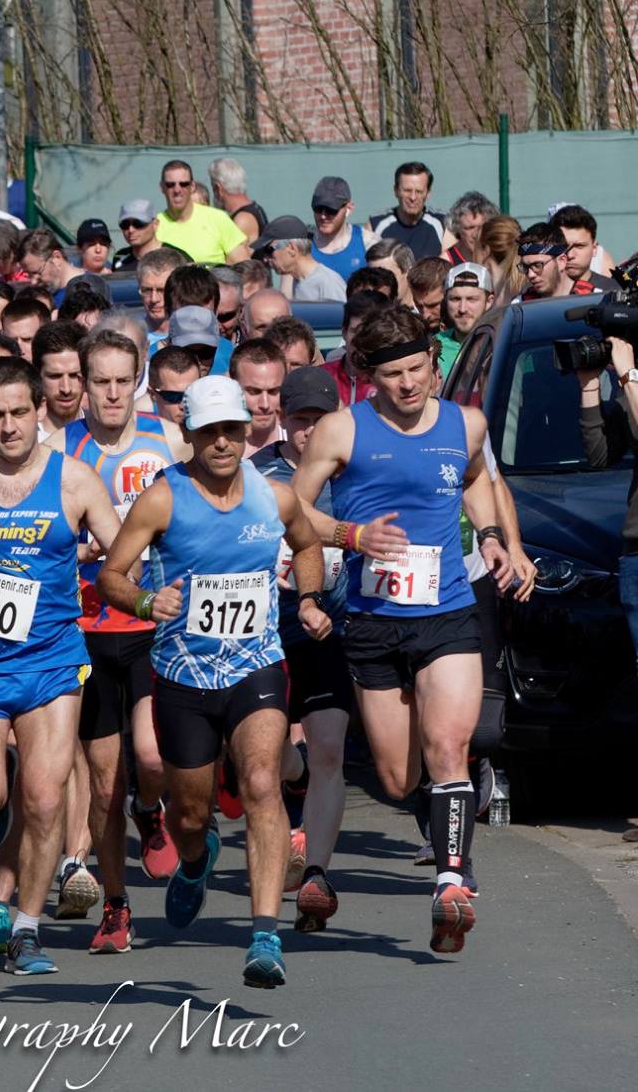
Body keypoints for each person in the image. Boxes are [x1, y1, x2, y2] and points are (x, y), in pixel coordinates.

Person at [291, 306, 527, 954]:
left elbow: (476, 480)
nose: (407, 383)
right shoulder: (342, 430)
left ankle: (451, 883)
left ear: (435, 362)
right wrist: (351, 534)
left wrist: (490, 535)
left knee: (452, 745)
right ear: (369, 377)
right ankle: (430, 804)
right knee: (397, 777)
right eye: (392, 373)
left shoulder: (465, 423)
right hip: (373, 623)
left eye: (417, 368)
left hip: (448, 610)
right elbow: (293, 509)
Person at [99, 375, 330, 989]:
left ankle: (264, 936)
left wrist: (307, 599)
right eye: (210, 432)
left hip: (256, 664)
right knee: (193, 814)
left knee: (260, 781)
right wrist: (148, 602)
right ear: (191, 436)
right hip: (182, 674)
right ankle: (197, 863)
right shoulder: (163, 498)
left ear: (248, 429)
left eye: (233, 429)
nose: (224, 442)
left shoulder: (273, 496)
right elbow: (111, 575)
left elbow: (307, 543)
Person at [0, 358, 118, 976]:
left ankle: (26, 930)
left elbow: (124, 553)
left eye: (19, 413)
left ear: (41, 410)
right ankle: (9, 865)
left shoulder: (76, 481)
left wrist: (141, 588)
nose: (7, 427)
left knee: (42, 798)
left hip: (54, 660)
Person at [56, 330, 185, 948]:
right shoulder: (62, 448)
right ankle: (116, 904)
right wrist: (89, 546)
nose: (111, 394)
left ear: (138, 381)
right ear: (81, 383)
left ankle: (152, 811)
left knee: (153, 755)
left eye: (121, 381)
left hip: (152, 624)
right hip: (86, 627)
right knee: (104, 782)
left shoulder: (168, 439)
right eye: (98, 381)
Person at [250, 365, 354, 933]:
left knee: (331, 749)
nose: (309, 433)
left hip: (328, 631)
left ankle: (315, 875)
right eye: (299, 420)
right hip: (266, 632)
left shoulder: (350, 474)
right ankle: (292, 780)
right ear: (282, 420)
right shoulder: (254, 475)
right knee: (276, 761)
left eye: (320, 421)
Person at [153, 160, 249, 265]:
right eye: (170, 184)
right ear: (162, 187)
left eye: (184, 184)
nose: (177, 190)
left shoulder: (218, 218)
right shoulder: (155, 226)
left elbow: (243, 266)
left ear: (192, 187)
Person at [370, 162, 447, 262]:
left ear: (428, 193)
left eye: (419, 191)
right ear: (396, 191)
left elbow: (449, 267)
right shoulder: (376, 224)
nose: (413, 197)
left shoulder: (442, 223)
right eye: (407, 190)